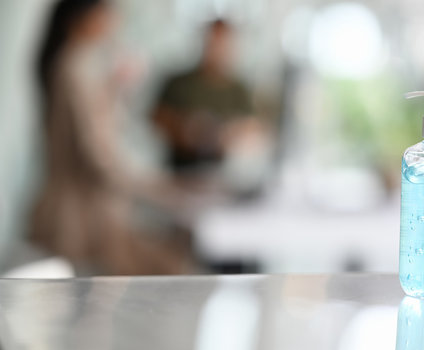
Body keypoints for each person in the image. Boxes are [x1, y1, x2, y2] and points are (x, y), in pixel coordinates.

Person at [32, 0, 193, 275]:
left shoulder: (77, 64)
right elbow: (96, 155)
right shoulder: (75, 67)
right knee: (172, 270)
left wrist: (115, 88)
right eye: (106, 12)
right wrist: (154, 188)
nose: (113, 21)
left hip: (88, 212)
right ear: (83, 16)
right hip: (82, 219)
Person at [152, 20, 257, 173]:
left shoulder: (238, 88)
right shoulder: (179, 82)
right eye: (213, 42)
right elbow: (157, 117)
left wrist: (229, 134)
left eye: (223, 43)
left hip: (223, 170)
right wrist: (183, 130)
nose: (217, 49)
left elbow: (253, 128)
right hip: (178, 169)